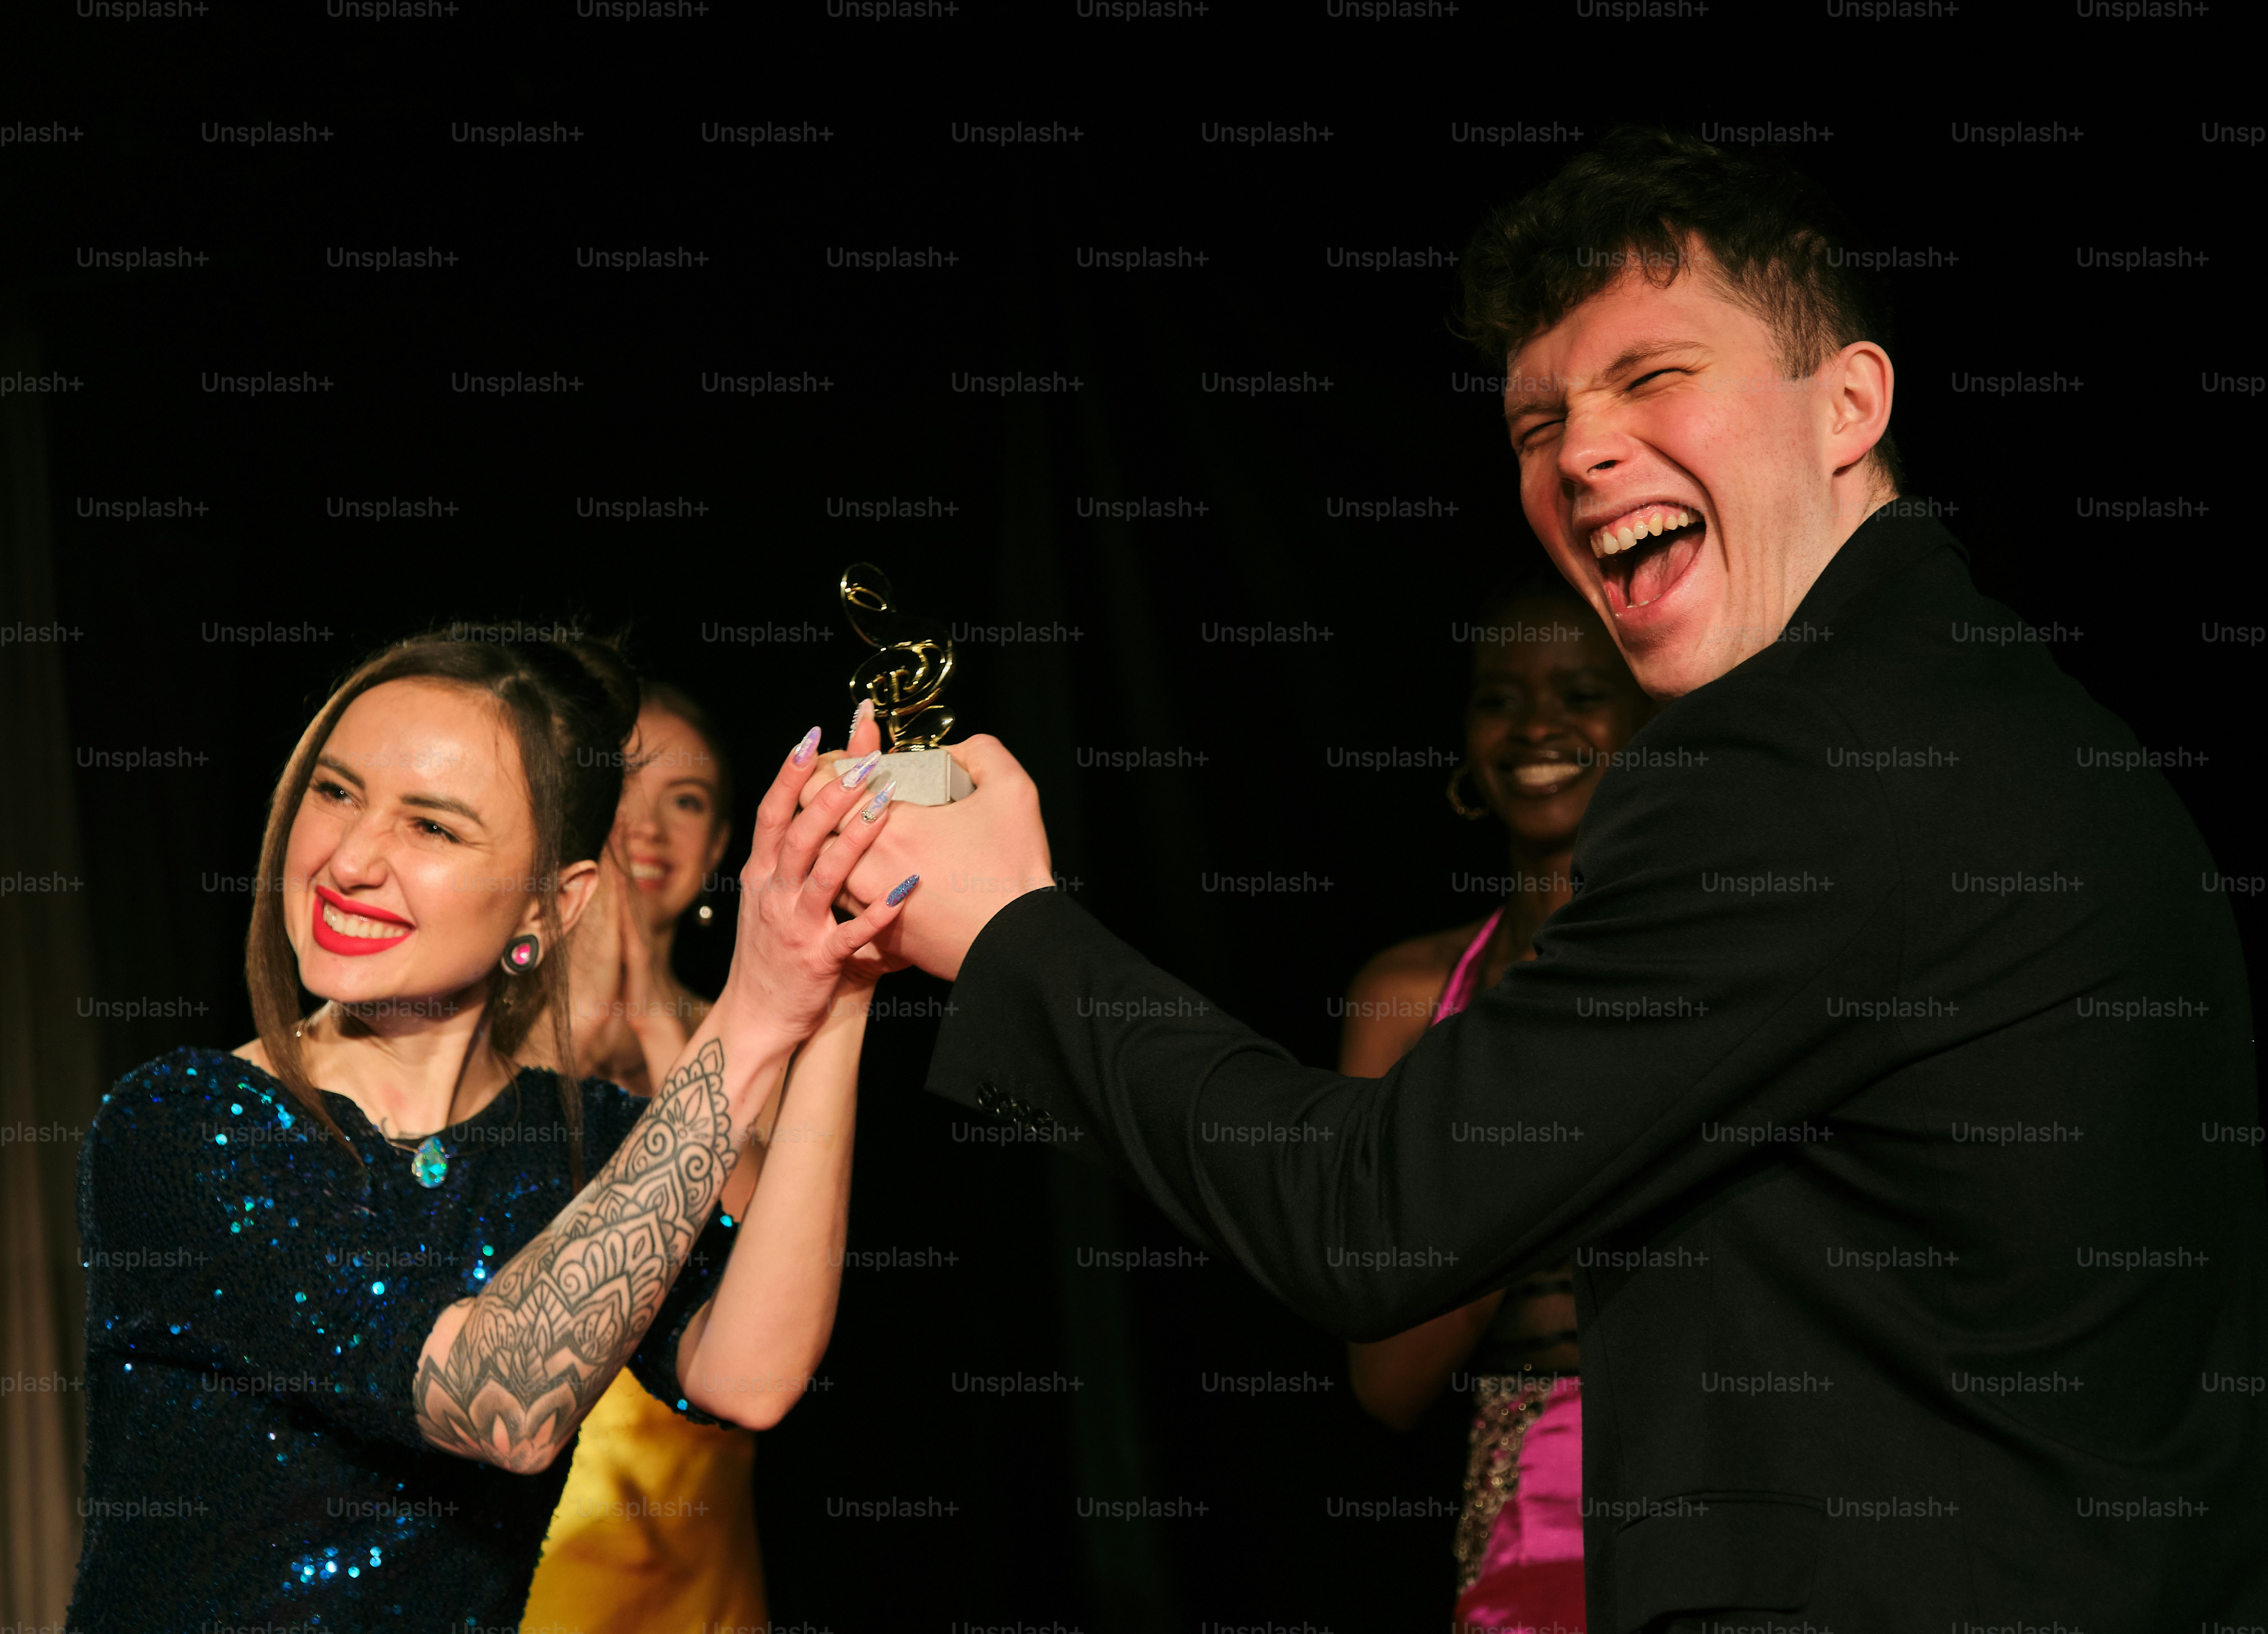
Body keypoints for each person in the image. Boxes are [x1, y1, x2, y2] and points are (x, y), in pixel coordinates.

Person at [814, 128, 2267, 1629]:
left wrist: (1006, 929)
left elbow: (1365, 1215)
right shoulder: (1999, 713)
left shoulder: (1815, 758)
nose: (1578, 452)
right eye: (1533, 421)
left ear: (1850, 404)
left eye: (1653, 377)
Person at [65, 634, 918, 1628]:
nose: (349, 859)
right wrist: (753, 1011)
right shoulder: (186, 1123)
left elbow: (751, 1374)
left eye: (431, 825)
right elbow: (502, 1397)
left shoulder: (585, 1139)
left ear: (553, 905)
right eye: (336, 791)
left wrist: (842, 989)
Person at [520, 688, 887, 1632]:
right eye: (625, 783)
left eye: (685, 799)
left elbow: (764, 1247)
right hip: (536, 1520)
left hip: (701, 1521)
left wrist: (655, 1023)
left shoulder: (766, 1033)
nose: (646, 822)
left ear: (724, 842)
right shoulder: (490, 1028)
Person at [1341, 576, 1653, 1631]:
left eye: (1581, 690)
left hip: (1722, 1490)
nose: (1536, 727)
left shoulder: (1726, 966)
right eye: (1498, 698)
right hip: (1526, 1530)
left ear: (1650, 721)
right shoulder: (1407, 996)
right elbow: (1385, 1379)